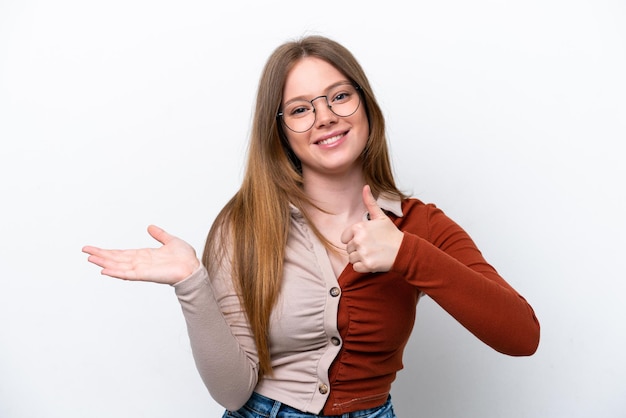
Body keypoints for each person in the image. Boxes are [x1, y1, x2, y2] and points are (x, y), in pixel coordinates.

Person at [83, 35, 540, 418]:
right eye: (300, 109)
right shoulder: (244, 224)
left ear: (365, 105)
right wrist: (191, 283)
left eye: (340, 96)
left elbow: (522, 336)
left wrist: (406, 254)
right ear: (280, 130)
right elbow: (231, 392)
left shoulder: (419, 224)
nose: (325, 116)